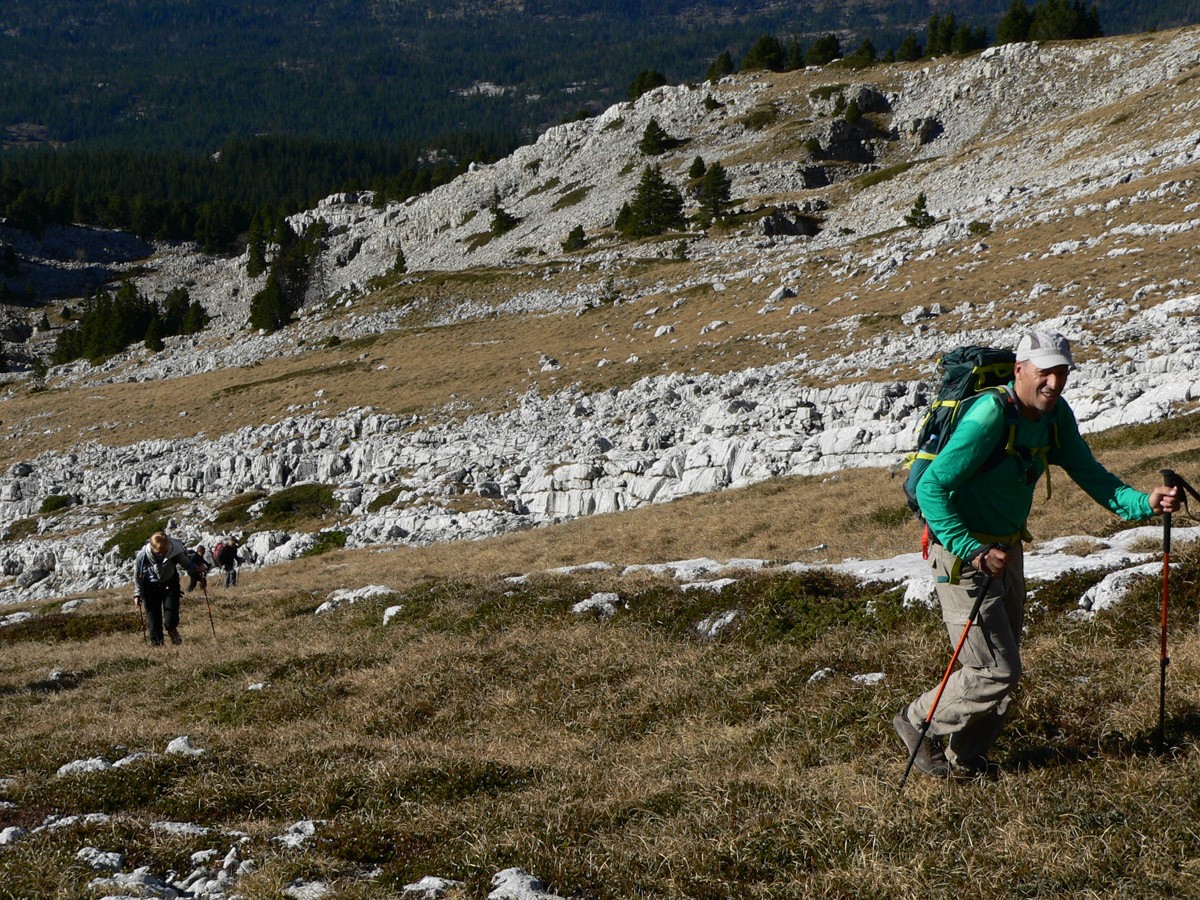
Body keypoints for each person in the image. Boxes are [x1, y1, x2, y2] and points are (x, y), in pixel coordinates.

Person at [893, 330, 1182, 778]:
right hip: (962, 555)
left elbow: (1092, 475)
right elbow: (932, 487)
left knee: (1005, 669)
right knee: (994, 670)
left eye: (1062, 373)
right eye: (1045, 373)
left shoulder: (1055, 416)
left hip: (1006, 551)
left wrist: (1145, 502)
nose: (1054, 383)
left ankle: (963, 762)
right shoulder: (989, 416)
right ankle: (917, 721)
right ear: (1020, 371)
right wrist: (972, 550)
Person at [133, 531, 207, 647]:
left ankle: (172, 630)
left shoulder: (174, 550)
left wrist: (196, 568)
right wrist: (138, 593)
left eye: (164, 551)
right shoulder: (142, 556)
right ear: (152, 547)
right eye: (159, 552)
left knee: (170, 617)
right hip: (150, 587)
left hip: (170, 584)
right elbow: (138, 575)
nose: (162, 554)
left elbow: (185, 563)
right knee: (153, 620)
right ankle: (158, 646)